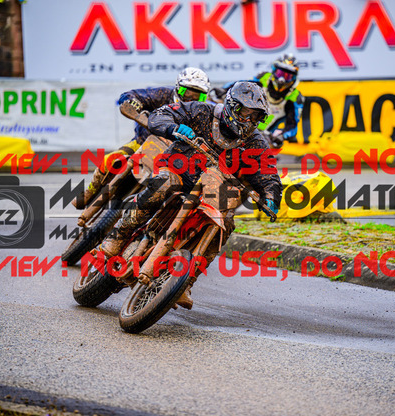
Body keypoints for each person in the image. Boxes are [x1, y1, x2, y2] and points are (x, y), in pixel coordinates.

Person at [99, 81, 282, 309]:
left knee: (225, 222)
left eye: (255, 117)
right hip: (177, 170)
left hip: (211, 189)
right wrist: (172, 128)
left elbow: (268, 172)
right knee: (163, 185)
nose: (250, 120)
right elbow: (162, 114)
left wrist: (272, 197)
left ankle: (187, 281)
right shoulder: (201, 110)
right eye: (246, 113)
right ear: (232, 106)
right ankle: (119, 234)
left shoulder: (254, 141)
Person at [73, 67, 211, 208]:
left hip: (175, 156)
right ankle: (89, 193)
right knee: (110, 160)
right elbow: (131, 95)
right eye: (187, 92)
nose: (190, 98)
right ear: (178, 88)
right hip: (142, 143)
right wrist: (132, 101)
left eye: (198, 96)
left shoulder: (203, 112)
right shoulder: (163, 94)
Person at [210, 53, 305, 147]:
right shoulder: (264, 77)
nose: (282, 79)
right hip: (240, 120)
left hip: (262, 134)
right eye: (280, 73)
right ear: (274, 70)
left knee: (272, 147)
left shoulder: (295, 97)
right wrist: (224, 90)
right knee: (217, 102)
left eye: (287, 76)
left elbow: (292, 127)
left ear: (294, 77)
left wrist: (282, 136)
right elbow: (242, 84)